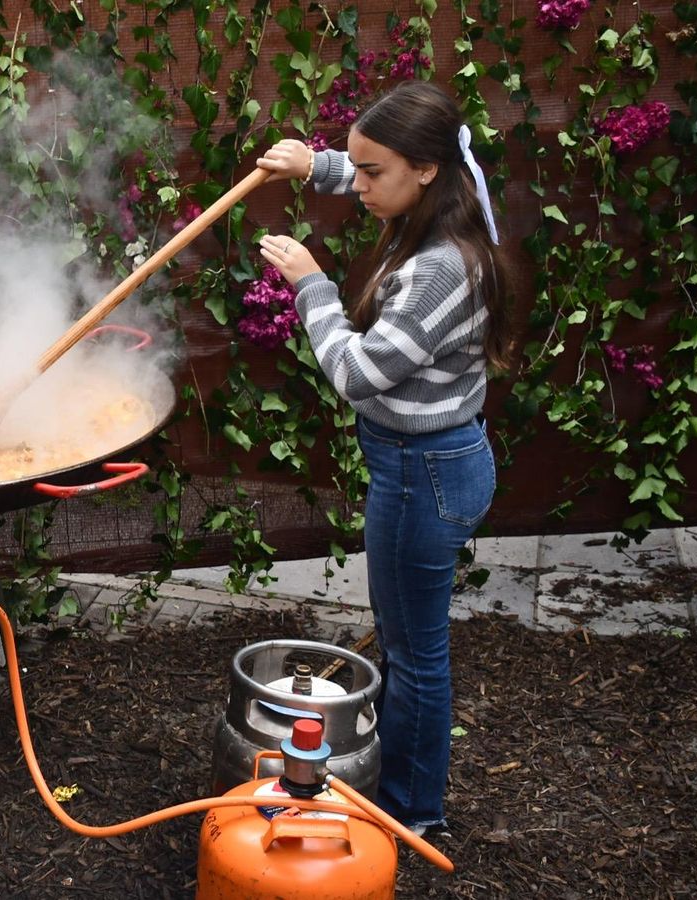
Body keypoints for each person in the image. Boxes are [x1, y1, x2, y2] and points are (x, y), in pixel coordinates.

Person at [252, 81, 514, 835]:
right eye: (354, 169)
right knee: (408, 644)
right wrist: (314, 166)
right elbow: (373, 169)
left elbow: (359, 375)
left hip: (421, 476)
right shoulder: (449, 192)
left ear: (425, 169)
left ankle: (408, 812)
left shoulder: (440, 266)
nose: (358, 185)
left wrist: (311, 287)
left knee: (417, 656)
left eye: (371, 174)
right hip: (433, 465)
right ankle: (403, 794)